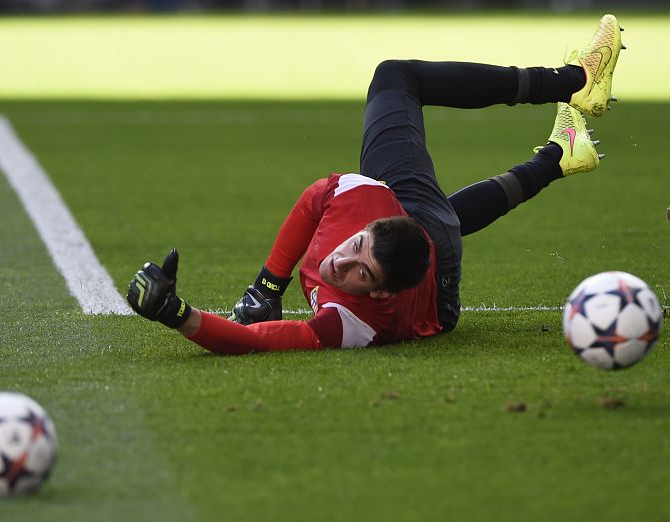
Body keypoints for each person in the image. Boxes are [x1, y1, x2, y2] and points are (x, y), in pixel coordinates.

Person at [127, 14, 625, 355]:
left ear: (382, 294)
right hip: (425, 248)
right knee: (402, 99)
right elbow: (310, 202)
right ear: (376, 218)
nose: (341, 261)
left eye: (360, 273)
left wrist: (175, 313)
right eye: (358, 247)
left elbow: (254, 343)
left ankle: (565, 134)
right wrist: (266, 287)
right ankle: (568, 100)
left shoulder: (353, 318)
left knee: (437, 212)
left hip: (432, 280)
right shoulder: (360, 206)